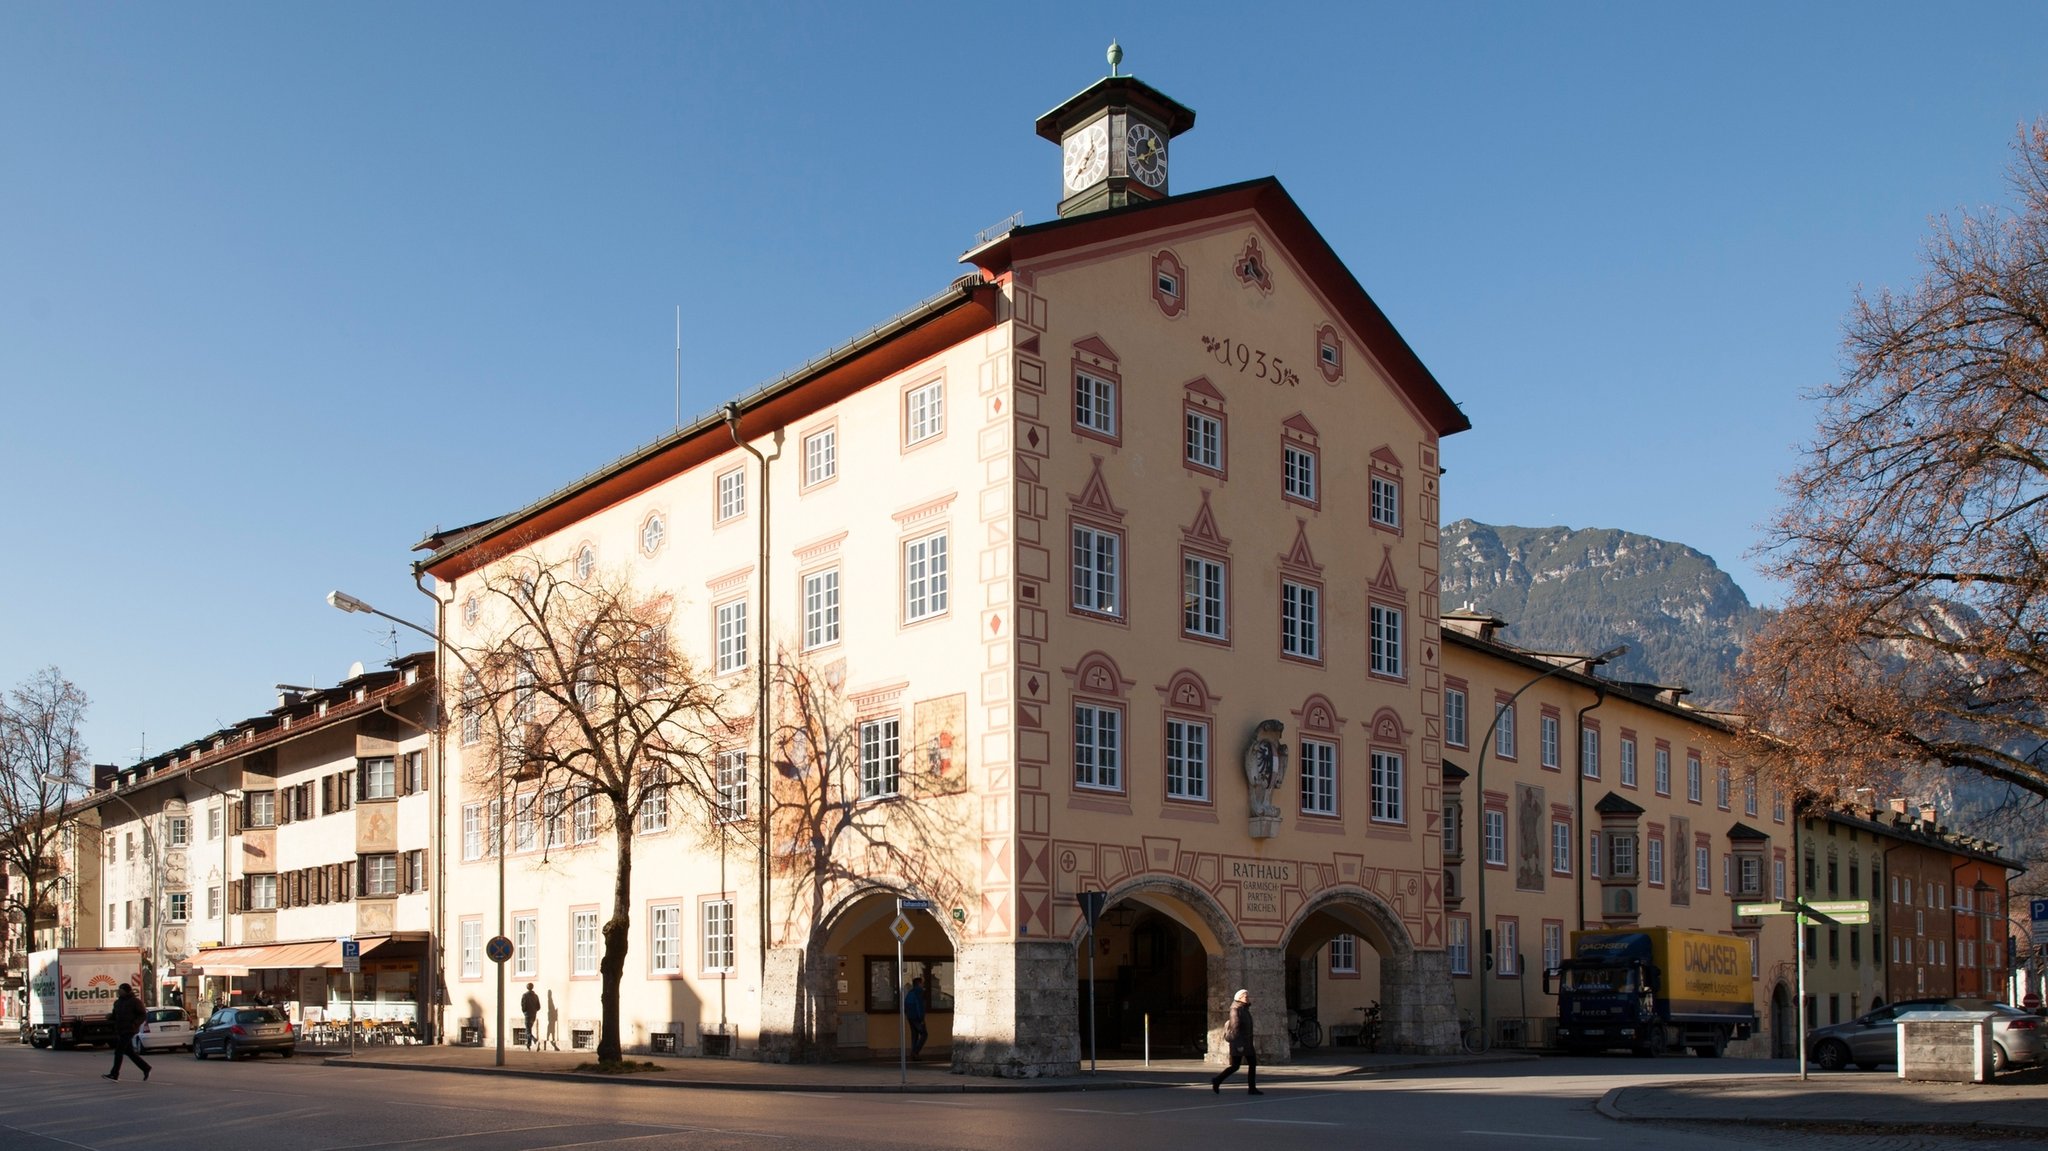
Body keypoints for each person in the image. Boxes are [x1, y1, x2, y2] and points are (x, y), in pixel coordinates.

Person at [1210, 988, 1260, 1095]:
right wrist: (1238, 1044)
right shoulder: (1236, 1009)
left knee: (1251, 1064)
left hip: (1246, 1042)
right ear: (1239, 998)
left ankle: (1252, 1088)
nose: (1248, 998)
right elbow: (1235, 1027)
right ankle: (1217, 1080)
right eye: (1245, 996)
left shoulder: (1243, 1009)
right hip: (1240, 1043)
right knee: (1235, 1066)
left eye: (1247, 996)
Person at [105, 983, 151, 1083]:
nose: (118, 991)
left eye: (120, 990)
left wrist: (134, 1024)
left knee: (119, 1051)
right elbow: (115, 1015)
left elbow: (142, 1015)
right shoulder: (118, 1002)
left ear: (126, 991)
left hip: (129, 1030)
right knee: (129, 1052)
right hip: (121, 1030)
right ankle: (146, 1068)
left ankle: (114, 1074)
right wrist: (110, 1017)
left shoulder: (135, 1001)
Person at [903, 977, 929, 1060]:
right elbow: (919, 1006)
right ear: (919, 983)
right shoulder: (919, 992)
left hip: (910, 1017)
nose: (923, 984)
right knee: (924, 1034)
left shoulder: (911, 992)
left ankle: (913, 1054)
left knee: (914, 1035)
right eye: (922, 983)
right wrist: (921, 1018)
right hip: (917, 1017)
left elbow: (906, 1004)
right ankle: (915, 1052)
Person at [520, 983, 541, 1050]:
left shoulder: (525, 995)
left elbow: (523, 1006)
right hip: (533, 1015)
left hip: (527, 1015)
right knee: (529, 1029)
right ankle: (528, 1045)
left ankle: (535, 1041)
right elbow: (538, 1007)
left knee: (527, 1031)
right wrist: (534, 1011)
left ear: (527, 987)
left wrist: (524, 1011)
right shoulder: (536, 996)